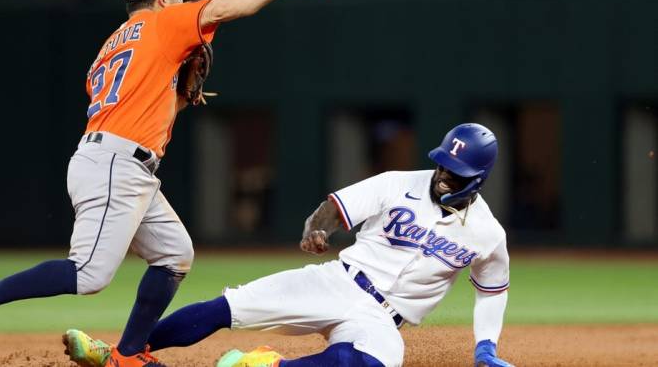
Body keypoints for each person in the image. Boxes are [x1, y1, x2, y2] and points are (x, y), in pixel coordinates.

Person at [0, 0, 331, 367]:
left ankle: (128, 355)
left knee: (174, 254)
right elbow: (224, 6)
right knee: (88, 274)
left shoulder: (110, 47)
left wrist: (178, 98)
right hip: (115, 164)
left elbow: (134, 106)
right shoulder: (163, 24)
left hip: (119, 161)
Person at [63, 123, 514, 367]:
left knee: (372, 362)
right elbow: (334, 208)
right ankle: (123, 352)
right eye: (440, 165)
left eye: (453, 174)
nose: (441, 176)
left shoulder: (487, 235)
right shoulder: (399, 183)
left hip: (383, 318)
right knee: (227, 308)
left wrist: (486, 349)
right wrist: (319, 228)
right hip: (337, 282)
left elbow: (492, 291)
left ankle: (264, 366)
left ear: (477, 180)